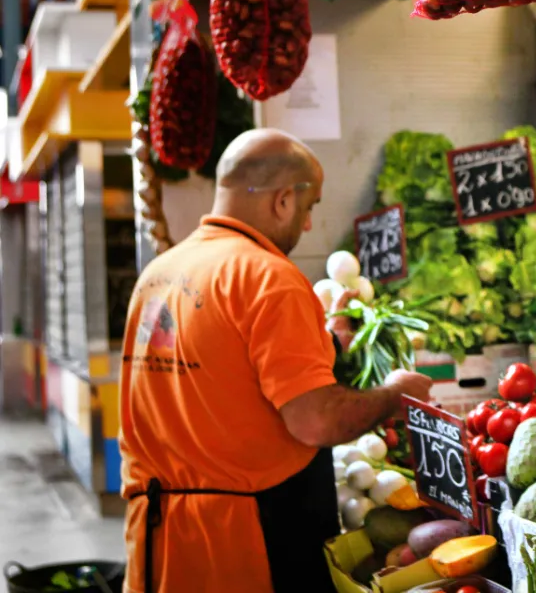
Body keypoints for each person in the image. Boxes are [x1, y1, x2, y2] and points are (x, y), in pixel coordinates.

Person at [118, 129, 436, 593]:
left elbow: (215, 373)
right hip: (241, 544)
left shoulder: (159, 273)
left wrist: (326, 343)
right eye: (310, 209)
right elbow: (316, 423)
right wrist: (395, 395)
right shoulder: (269, 277)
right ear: (284, 200)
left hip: (158, 539)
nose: (307, 225)